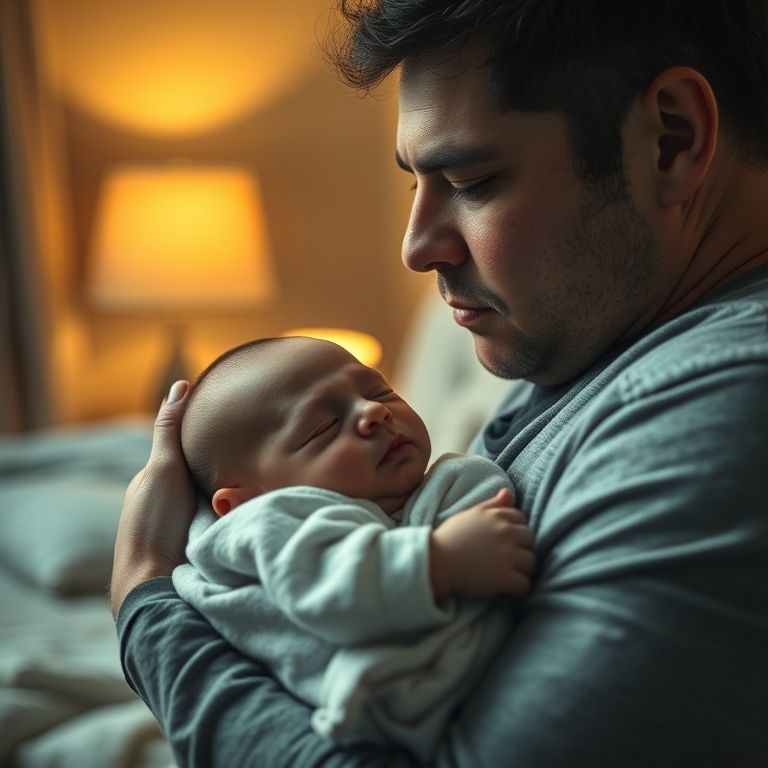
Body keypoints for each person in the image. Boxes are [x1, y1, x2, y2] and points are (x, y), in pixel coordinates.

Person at [111, 2, 768, 766]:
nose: (417, 248)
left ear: (672, 140)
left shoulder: (718, 410)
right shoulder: (598, 335)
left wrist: (145, 602)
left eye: (472, 180)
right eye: (417, 186)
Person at [172, 335, 535, 760]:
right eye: (322, 427)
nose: (373, 411)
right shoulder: (271, 524)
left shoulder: (452, 483)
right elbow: (325, 589)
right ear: (244, 503)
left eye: (379, 390)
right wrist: (438, 561)